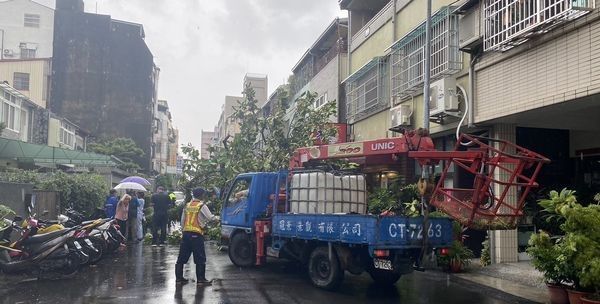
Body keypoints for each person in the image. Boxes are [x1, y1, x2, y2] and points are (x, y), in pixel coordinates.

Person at [175, 188, 219, 285]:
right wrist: (218, 219)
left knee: (182, 257)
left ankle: (179, 279)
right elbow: (210, 218)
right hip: (196, 235)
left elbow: (182, 220)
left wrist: (184, 231)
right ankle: (201, 280)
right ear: (202, 195)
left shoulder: (187, 205)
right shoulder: (201, 205)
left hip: (186, 234)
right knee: (200, 257)